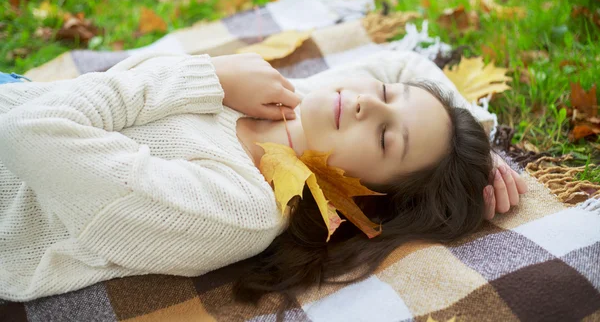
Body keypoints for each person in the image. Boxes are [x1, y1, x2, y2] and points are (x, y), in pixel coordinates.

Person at [0, 50, 526, 302]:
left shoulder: (237, 209)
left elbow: (25, 133)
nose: (367, 102)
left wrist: (209, 74)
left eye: (388, 139)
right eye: (385, 94)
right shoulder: (294, 103)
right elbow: (405, 63)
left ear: (360, 200)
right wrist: (473, 142)